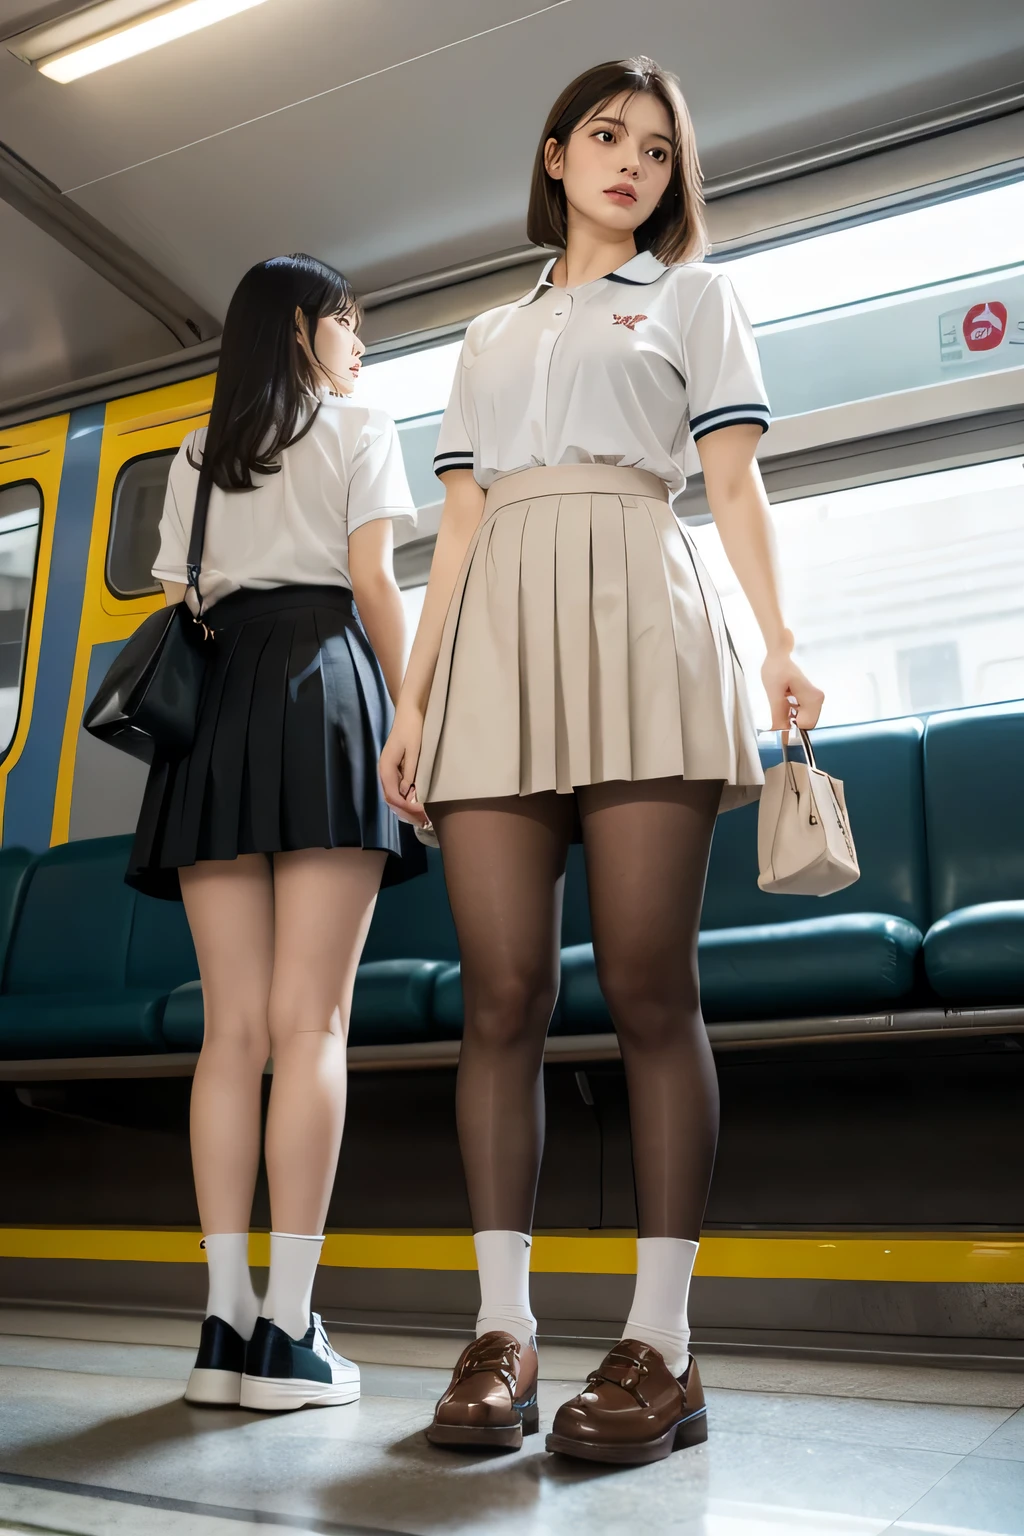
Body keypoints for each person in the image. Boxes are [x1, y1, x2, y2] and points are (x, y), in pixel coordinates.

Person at [380, 58, 823, 1463]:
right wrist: (412, 701)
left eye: (658, 148)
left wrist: (781, 640)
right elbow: (452, 530)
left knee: (645, 984)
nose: (634, 163)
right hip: (500, 629)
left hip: (643, 601)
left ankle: (665, 1349)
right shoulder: (486, 332)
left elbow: (736, 483)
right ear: (557, 154)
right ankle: (503, 1331)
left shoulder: (692, 296)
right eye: (608, 138)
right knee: (500, 995)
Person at [127, 253, 424, 1412]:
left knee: (231, 1031)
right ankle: (291, 1336)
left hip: (215, 721)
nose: (360, 348)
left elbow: (180, 597)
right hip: (323, 692)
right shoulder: (356, 423)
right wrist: (417, 716)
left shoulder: (198, 454)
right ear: (308, 328)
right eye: (350, 326)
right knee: (313, 1025)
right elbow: (373, 581)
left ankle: (222, 1327)